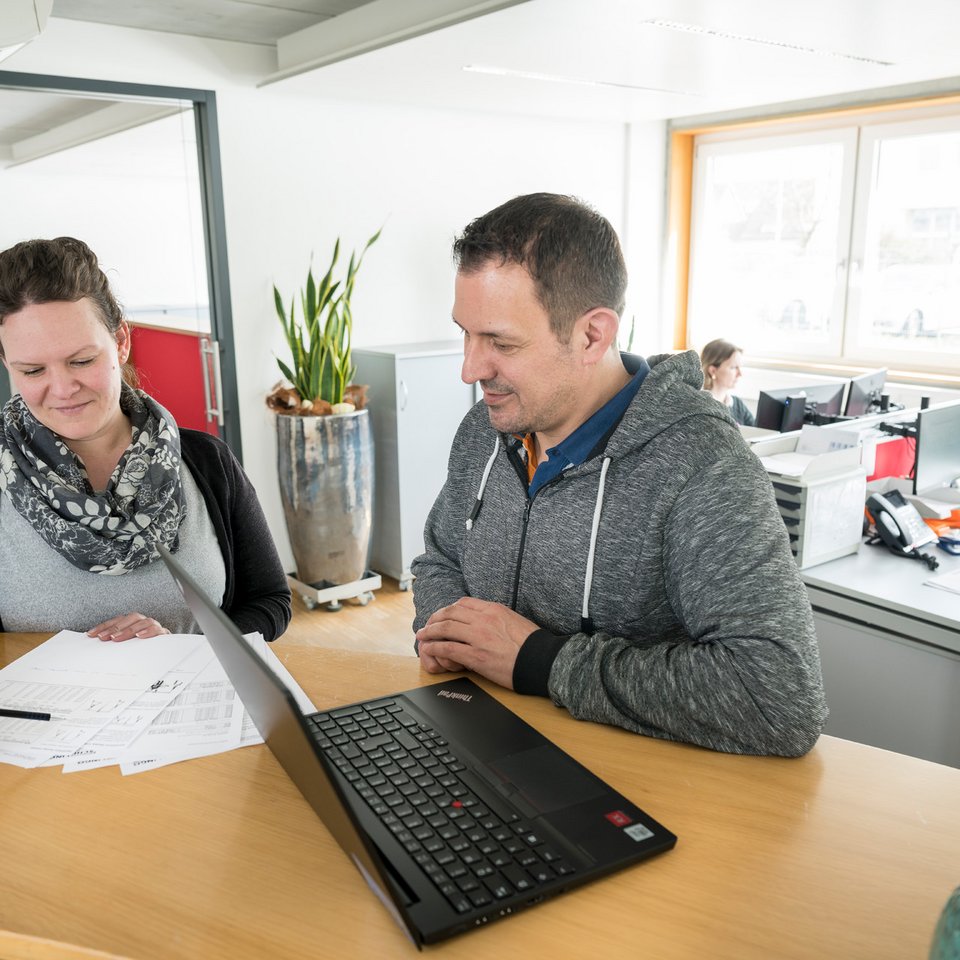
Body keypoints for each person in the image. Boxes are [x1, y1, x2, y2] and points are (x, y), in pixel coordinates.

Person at [411, 193, 826, 757]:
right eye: (466, 333)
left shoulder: (701, 463)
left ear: (592, 335)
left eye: (501, 342)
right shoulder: (485, 428)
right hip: (484, 753)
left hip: (632, 791)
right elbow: (440, 557)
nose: (470, 368)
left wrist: (539, 661)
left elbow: (779, 697)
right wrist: (445, 629)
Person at [0, 237, 291, 642]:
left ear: (120, 343)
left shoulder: (207, 462)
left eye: (82, 361)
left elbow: (270, 600)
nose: (63, 388)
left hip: (191, 700)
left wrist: (182, 649)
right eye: (32, 371)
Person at [700, 338, 755, 426]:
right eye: (733, 367)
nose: (740, 374)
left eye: (740, 367)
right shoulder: (700, 407)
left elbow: (758, 432)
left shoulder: (737, 404)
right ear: (713, 371)